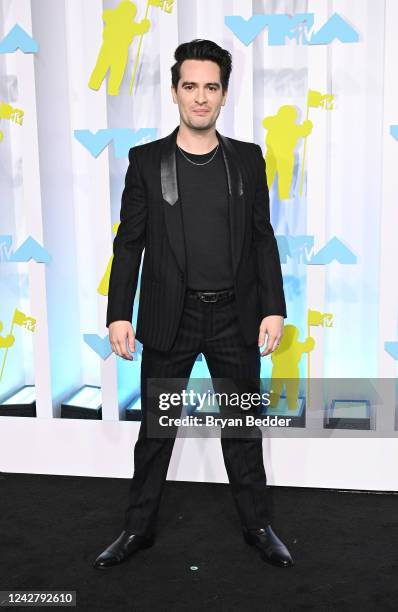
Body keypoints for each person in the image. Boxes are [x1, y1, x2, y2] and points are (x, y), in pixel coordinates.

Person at [93, 39, 293, 570]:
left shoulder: (248, 160)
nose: (200, 97)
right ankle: (136, 529)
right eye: (190, 86)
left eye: (211, 87)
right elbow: (128, 241)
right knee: (156, 432)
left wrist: (274, 306)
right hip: (169, 317)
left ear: (223, 95)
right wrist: (119, 313)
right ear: (175, 92)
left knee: (243, 430)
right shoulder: (146, 160)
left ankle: (258, 525)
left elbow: (262, 238)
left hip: (235, 316)